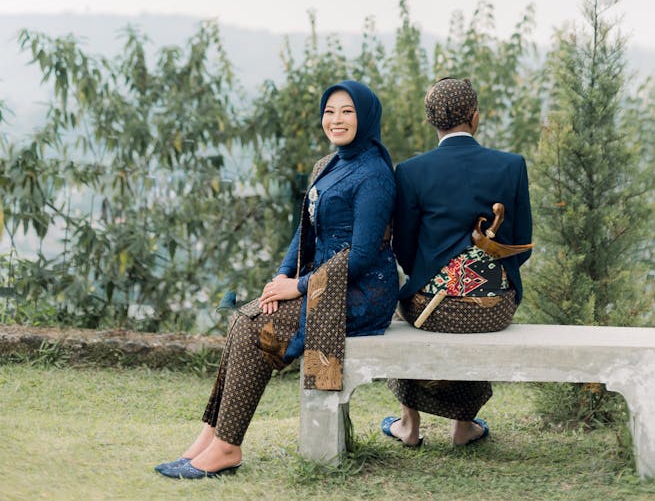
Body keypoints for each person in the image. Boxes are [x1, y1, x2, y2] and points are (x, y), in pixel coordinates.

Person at [155, 80, 399, 479]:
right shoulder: (330, 164)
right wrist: (283, 274)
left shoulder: (373, 175)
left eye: (347, 111)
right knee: (242, 321)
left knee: (255, 329)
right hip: (320, 284)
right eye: (329, 111)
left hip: (359, 293)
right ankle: (209, 437)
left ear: (366, 116)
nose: (335, 120)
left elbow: (362, 255)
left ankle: (228, 448)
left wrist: (299, 287)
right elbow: (305, 230)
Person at [383, 77, 532, 448]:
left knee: (406, 306)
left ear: (432, 121)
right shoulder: (511, 166)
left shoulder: (412, 171)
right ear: (475, 116)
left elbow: (403, 247)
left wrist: (432, 274)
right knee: (472, 308)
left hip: (430, 311)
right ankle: (464, 425)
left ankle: (409, 425)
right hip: (494, 311)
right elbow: (522, 246)